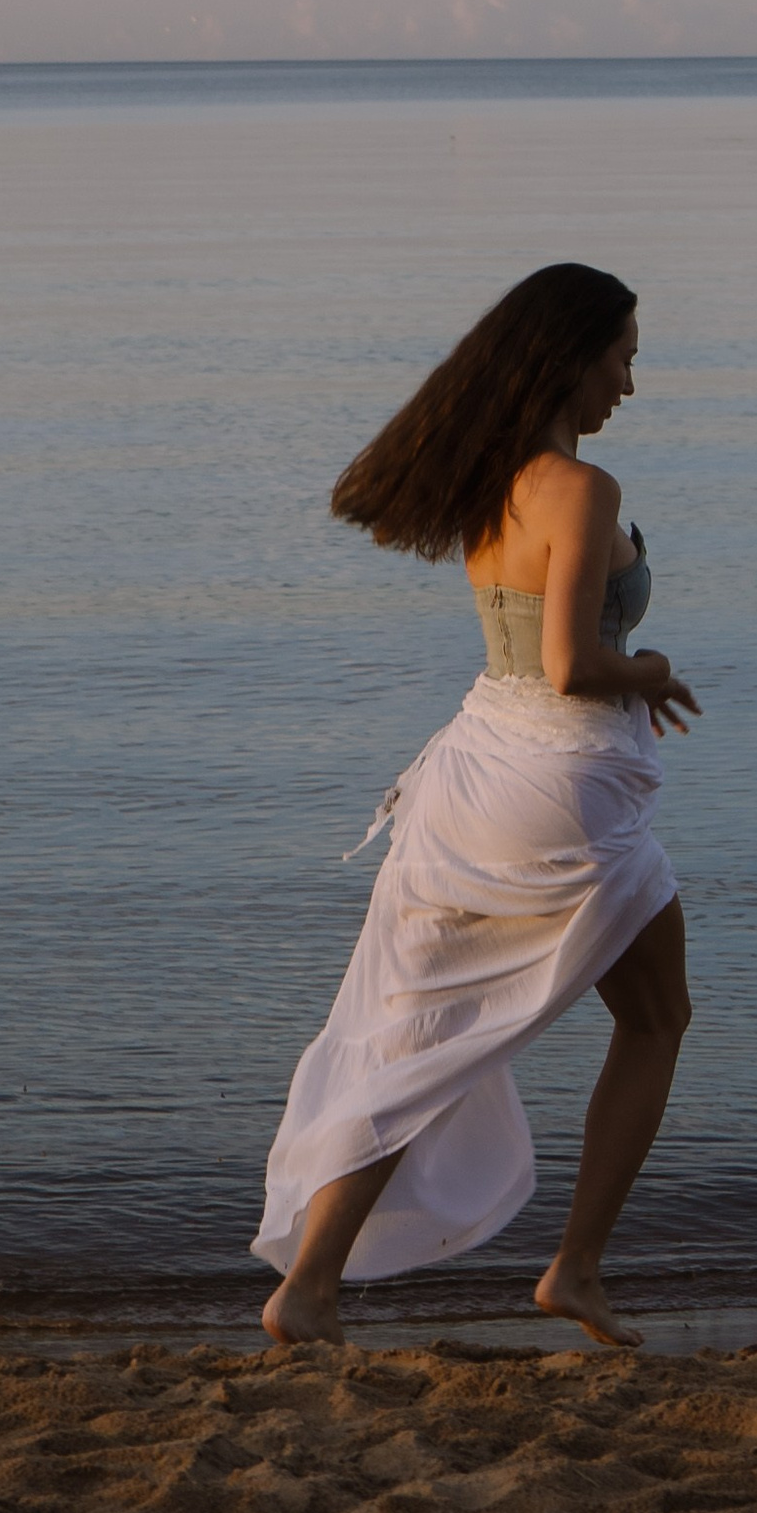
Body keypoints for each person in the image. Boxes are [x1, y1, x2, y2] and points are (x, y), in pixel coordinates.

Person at [254, 261, 700, 1351]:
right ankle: (576, 1270)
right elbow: (567, 665)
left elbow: (520, 655)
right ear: (570, 355)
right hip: (562, 787)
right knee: (656, 1017)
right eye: (622, 357)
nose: (628, 385)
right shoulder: (582, 491)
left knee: (414, 1033)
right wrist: (648, 670)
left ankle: (309, 1288)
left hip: (468, 777)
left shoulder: (485, 480)